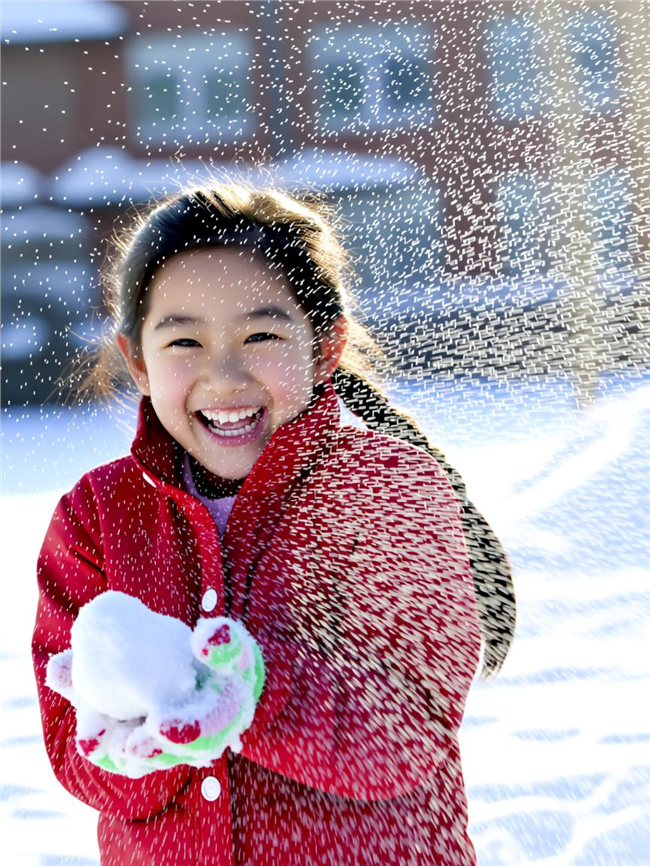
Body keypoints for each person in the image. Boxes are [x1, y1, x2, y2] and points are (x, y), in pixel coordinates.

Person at [32, 181, 516, 866]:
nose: (224, 375)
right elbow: (74, 751)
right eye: (183, 341)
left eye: (260, 334)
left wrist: (248, 696)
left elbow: (410, 728)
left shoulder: (387, 492)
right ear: (138, 359)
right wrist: (130, 742)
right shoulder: (95, 519)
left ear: (324, 347)